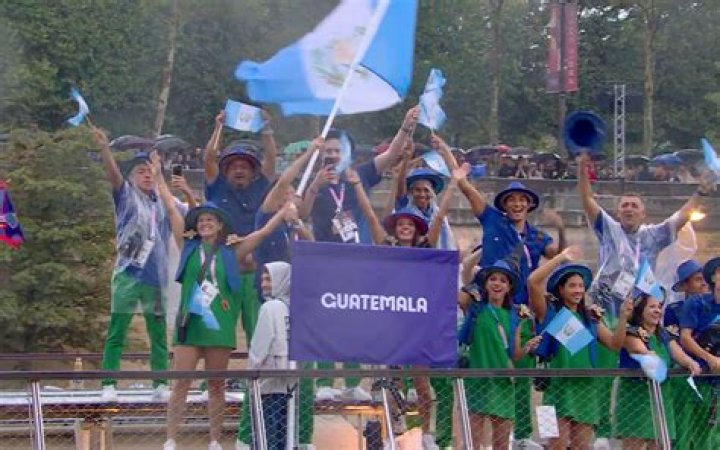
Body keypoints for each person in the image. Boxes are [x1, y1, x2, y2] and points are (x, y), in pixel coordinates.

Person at [155, 155, 293, 450]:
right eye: (201, 220)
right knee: (180, 382)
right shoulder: (188, 246)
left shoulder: (232, 252)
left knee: (216, 385)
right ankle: (171, 438)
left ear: (220, 225)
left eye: (210, 220)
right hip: (190, 323)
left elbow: (262, 232)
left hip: (219, 326)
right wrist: (158, 177)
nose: (205, 223)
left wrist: (283, 212)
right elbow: (170, 207)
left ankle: (215, 440)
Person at [300, 108, 418, 402]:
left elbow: (391, 154)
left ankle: (352, 381)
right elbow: (300, 215)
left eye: (337, 150)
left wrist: (405, 126)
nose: (332, 155)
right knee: (327, 321)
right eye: (327, 151)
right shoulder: (313, 180)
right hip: (325, 261)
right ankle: (325, 381)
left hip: (357, 260)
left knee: (353, 319)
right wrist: (315, 185)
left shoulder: (361, 174)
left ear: (348, 153)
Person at [91, 126, 171, 403]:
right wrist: (104, 148)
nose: (147, 175)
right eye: (140, 172)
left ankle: (161, 382)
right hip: (128, 273)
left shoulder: (162, 202)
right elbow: (113, 175)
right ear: (131, 177)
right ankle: (109, 383)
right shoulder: (125, 196)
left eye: (149, 171)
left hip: (155, 276)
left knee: (158, 333)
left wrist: (159, 170)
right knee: (118, 330)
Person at [528, 246, 632, 450]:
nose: (577, 290)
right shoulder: (550, 313)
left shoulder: (590, 319)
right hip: (553, 390)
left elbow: (614, 344)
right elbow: (532, 281)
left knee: (582, 447)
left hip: (586, 391)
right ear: (560, 289)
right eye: (572, 286)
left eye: (581, 286)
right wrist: (561, 257)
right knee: (553, 446)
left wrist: (623, 318)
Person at [449, 148, 565, 304]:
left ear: (529, 205)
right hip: (488, 301)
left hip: (520, 305)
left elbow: (557, 255)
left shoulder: (537, 237)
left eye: (522, 200)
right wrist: (446, 153)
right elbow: (466, 189)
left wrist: (561, 229)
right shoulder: (492, 219)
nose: (517, 204)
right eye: (512, 200)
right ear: (504, 205)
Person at [204, 109, 278, 347]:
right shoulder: (217, 188)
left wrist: (266, 129)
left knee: (257, 331)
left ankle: (255, 372)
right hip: (224, 272)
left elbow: (271, 160)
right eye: (233, 166)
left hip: (255, 274)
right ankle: (215, 373)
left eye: (244, 166)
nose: (239, 170)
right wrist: (218, 127)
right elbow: (209, 159)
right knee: (218, 331)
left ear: (253, 171)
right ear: (225, 170)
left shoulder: (261, 187)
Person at [458, 258, 541, 449]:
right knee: (472, 442)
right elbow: (466, 272)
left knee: (501, 444)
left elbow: (514, 355)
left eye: (503, 280)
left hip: (503, 383)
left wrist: (527, 347)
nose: (497, 284)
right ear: (485, 284)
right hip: (477, 380)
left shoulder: (515, 315)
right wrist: (480, 251)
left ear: (509, 287)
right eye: (493, 279)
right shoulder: (476, 306)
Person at [614, 291, 700, 449]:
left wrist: (690, 363)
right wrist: (649, 354)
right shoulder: (631, 332)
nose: (657, 310)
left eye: (659, 307)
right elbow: (638, 348)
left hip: (661, 397)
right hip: (636, 398)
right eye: (652, 307)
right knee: (634, 444)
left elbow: (677, 353)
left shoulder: (664, 334)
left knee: (659, 444)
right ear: (641, 310)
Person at [247, 262, 294, 450]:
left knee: (265, 438)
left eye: (269, 279)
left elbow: (260, 346)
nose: (263, 284)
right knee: (284, 438)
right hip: (289, 385)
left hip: (267, 385)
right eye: (262, 280)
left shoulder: (270, 307)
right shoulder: (292, 308)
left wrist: (251, 371)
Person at [664, 259, 708, 449]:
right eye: (698, 279)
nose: (704, 283)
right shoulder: (674, 311)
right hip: (684, 377)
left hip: (711, 378)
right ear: (684, 286)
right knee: (681, 430)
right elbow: (674, 342)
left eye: (705, 279)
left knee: (708, 433)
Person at [679, 257, 720, 449]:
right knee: (695, 434)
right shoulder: (696, 303)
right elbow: (685, 338)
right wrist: (710, 358)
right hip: (700, 380)